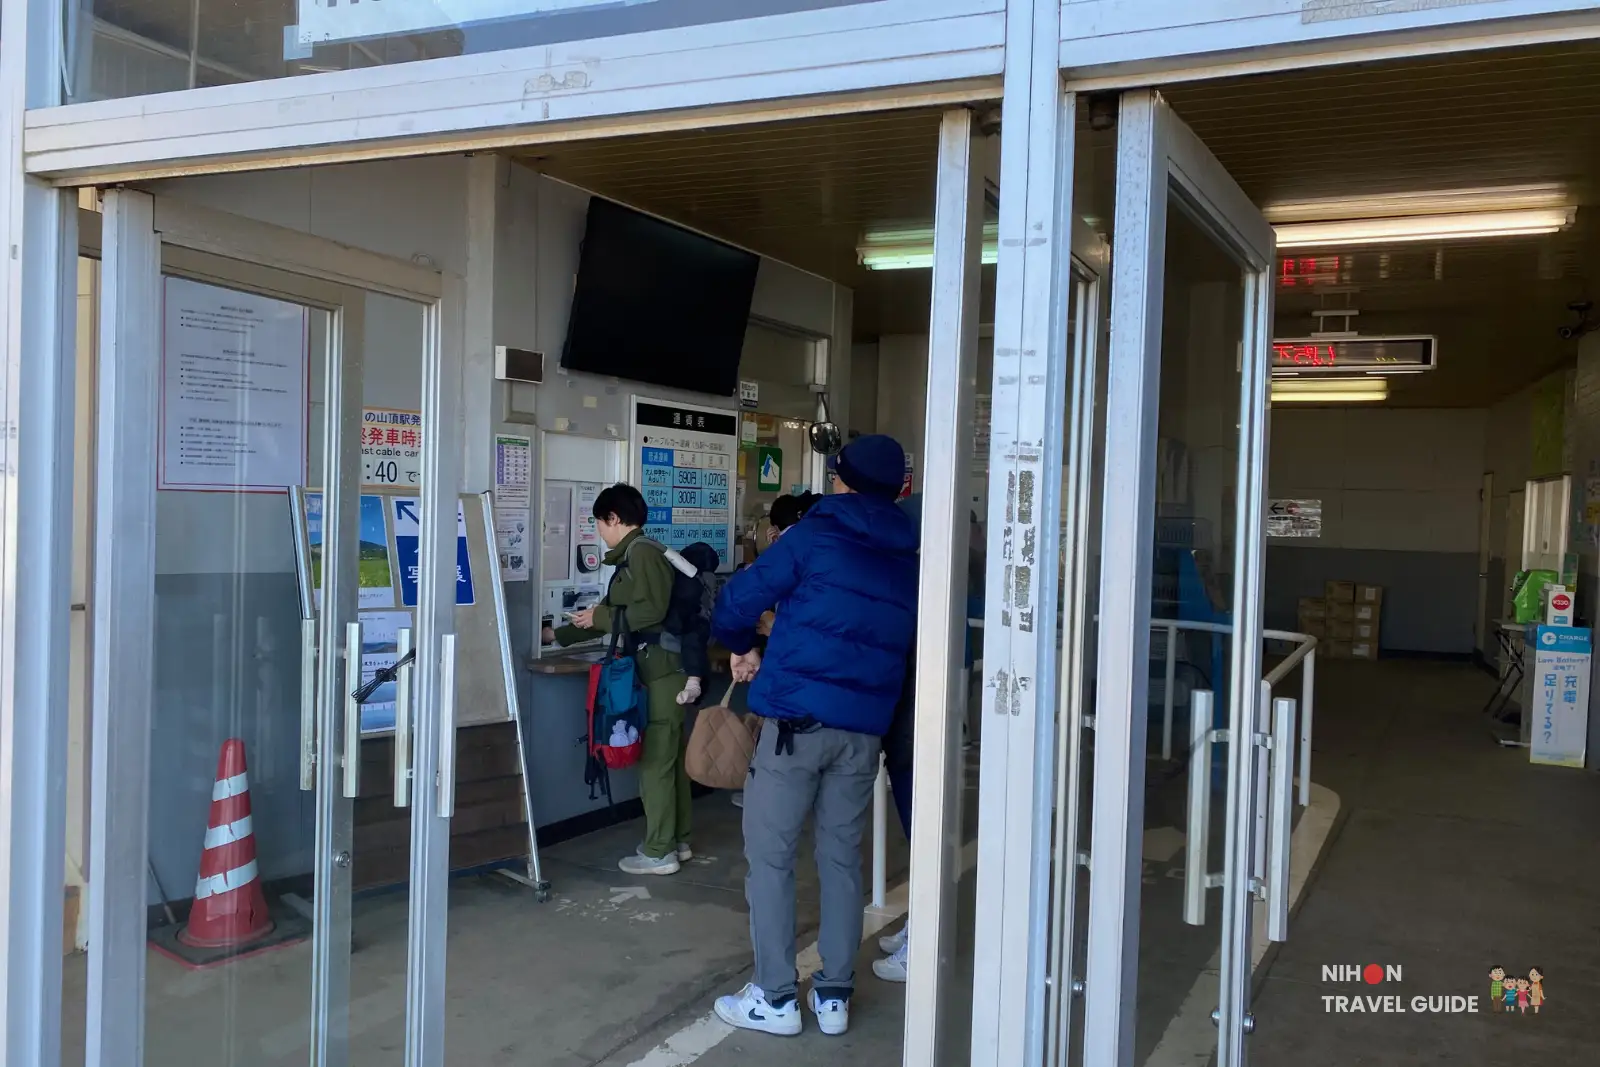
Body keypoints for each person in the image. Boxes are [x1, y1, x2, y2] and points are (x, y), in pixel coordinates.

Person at [710, 435, 918, 1038]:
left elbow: (739, 598)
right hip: (863, 733)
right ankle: (833, 996)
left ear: (844, 482)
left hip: (795, 727)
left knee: (771, 860)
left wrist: (743, 646)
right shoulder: (911, 550)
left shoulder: (816, 532)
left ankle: (775, 997)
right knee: (841, 860)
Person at [542, 483, 692, 876]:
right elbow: (610, 614)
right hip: (663, 671)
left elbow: (648, 611)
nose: (598, 533)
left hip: (661, 673)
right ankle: (675, 839)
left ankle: (659, 852)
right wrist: (557, 636)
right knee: (668, 762)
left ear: (613, 519)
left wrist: (601, 619)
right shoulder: (638, 555)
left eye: (599, 524)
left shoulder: (641, 554)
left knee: (657, 763)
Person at [871, 496, 986, 982]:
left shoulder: (919, 579)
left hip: (918, 715)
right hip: (928, 710)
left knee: (925, 830)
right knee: (924, 828)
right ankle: (920, 925)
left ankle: (924, 941)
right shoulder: (945, 576)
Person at [730, 490, 820, 810]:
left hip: (789, 662)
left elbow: (741, 600)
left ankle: (771, 788)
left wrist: (745, 641)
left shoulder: (792, 550)